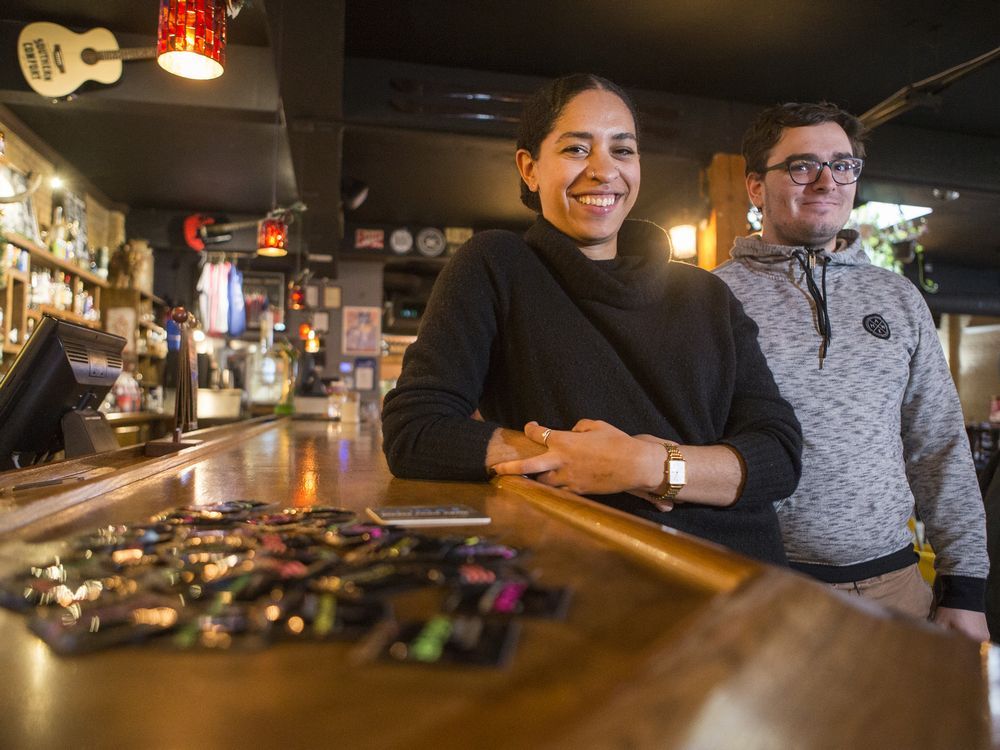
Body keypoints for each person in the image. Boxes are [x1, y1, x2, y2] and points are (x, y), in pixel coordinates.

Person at [381, 74, 802, 564]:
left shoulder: (705, 293)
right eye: (577, 149)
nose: (604, 171)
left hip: (736, 573)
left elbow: (778, 454)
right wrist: (566, 458)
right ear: (529, 167)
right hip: (589, 570)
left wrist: (648, 466)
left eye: (622, 151)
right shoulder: (497, 266)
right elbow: (415, 431)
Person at [713, 102, 989, 639]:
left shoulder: (898, 297)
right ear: (754, 187)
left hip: (895, 589)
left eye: (842, 165)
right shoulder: (710, 298)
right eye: (802, 166)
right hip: (756, 586)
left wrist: (965, 587)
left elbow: (937, 445)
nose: (826, 181)